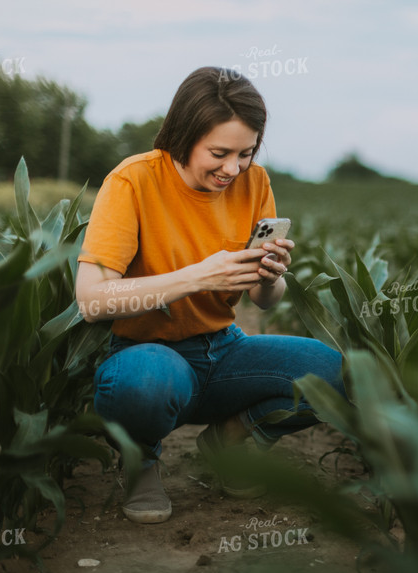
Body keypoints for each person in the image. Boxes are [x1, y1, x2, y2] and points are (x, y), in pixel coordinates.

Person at [75, 66, 345, 524]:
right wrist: (197, 277)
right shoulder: (132, 181)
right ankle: (141, 460)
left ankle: (230, 441)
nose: (233, 169)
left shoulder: (254, 182)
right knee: (145, 383)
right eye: (219, 153)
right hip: (146, 353)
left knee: (334, 374)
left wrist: (268, 275)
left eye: (246, 152)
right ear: (183, 135)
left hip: (222, 350)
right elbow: (92, 300)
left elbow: (266, 301)